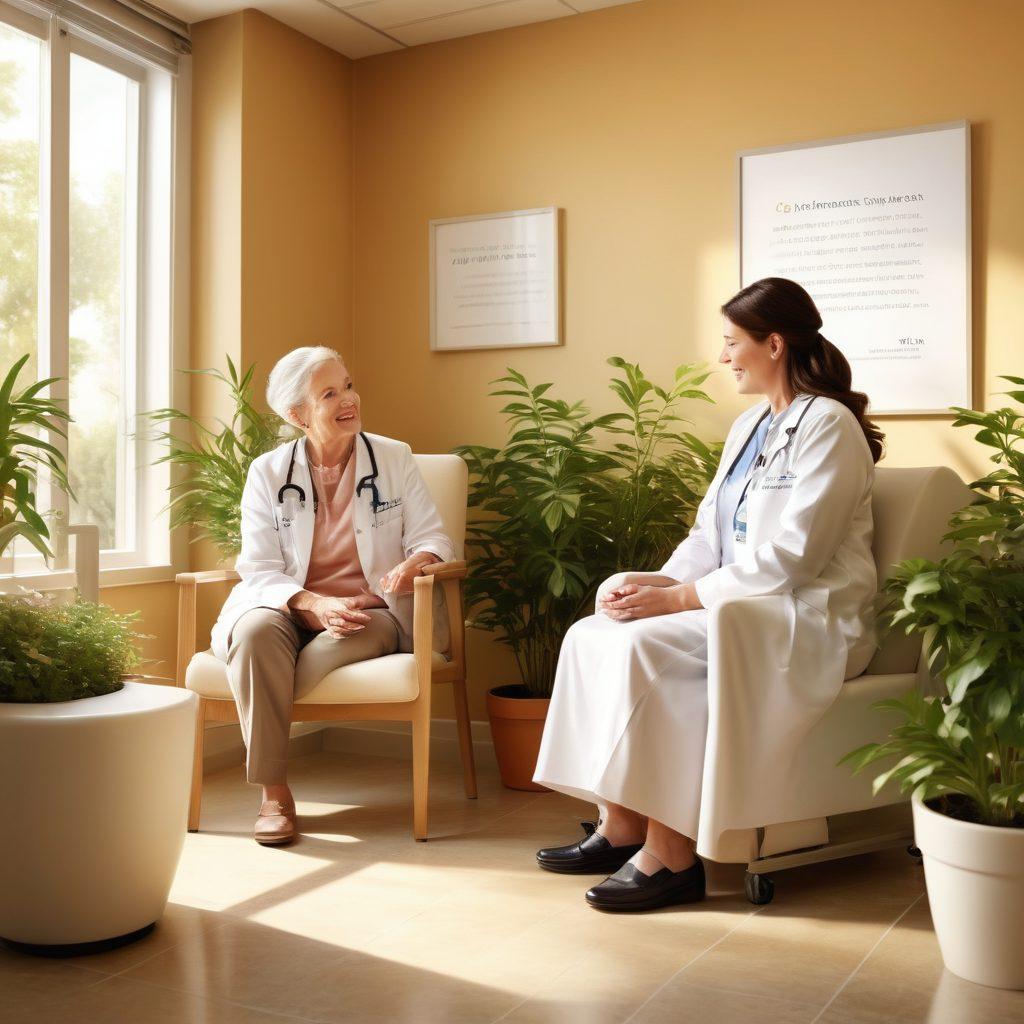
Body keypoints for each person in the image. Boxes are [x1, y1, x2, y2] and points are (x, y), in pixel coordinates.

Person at [533, 277, 885, 912]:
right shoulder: (751, 425)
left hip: (804, 617)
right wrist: (659, 583)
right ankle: (622, 825)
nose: (723, 357)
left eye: (732, 343)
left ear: (773, 344)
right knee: (595, 630)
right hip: (742, 604)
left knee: (650, 650)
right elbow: (708, 532)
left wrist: (679, 602)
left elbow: (793, 558)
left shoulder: (828, 426)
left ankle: (673, 855)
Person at [210, 346, 455, 845]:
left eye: (348, 385)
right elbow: (258, 568)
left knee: (314, 649)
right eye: (329, 393)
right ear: (297, 415)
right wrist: (315, 605)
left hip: (372, 610)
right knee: (256, 633)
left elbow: (434, 538)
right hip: (292, 605)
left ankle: (268, 680)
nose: (349, 399)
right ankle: (274, 794)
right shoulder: (268, 472)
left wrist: (417, 562)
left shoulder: (393, 456)